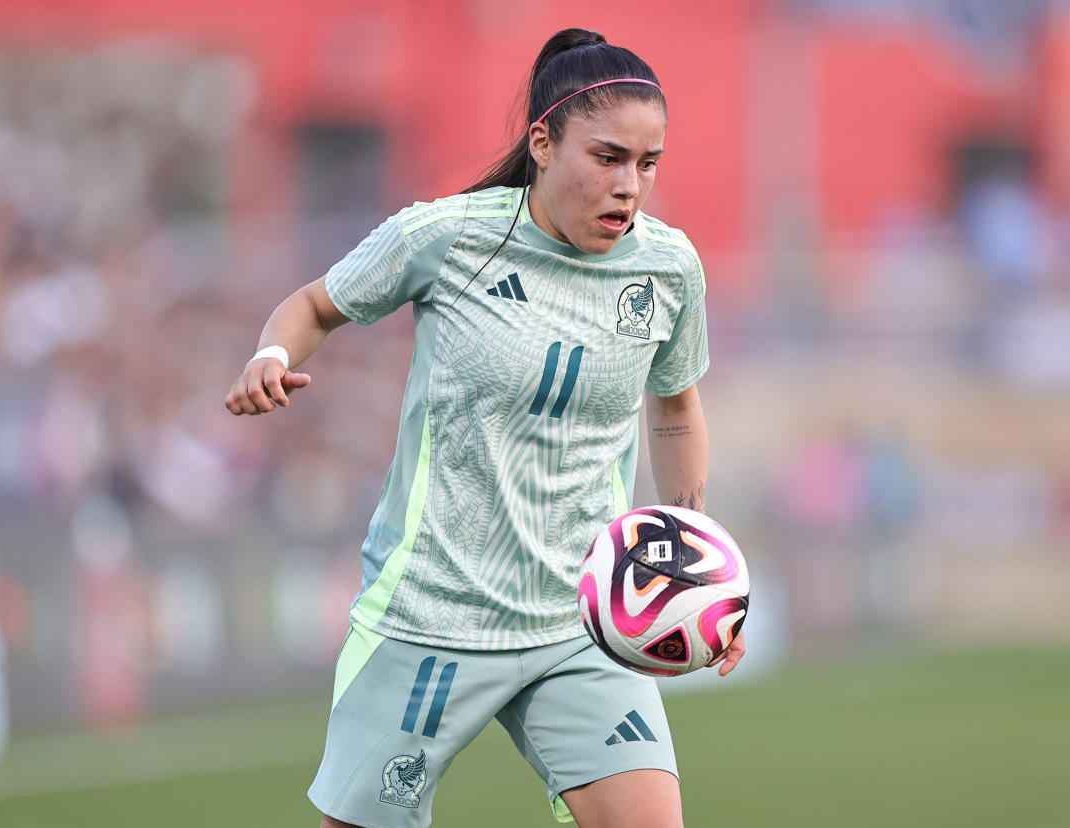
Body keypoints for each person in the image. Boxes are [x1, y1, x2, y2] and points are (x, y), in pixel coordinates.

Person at [224, 27, 744, 828]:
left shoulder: (668, 268)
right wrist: (269, 353)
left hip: (583, 620)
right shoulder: (450, 236)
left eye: (648, 164)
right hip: (433, 616)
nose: (630, 185)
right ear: (542, 141)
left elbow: (674, 409)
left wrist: (694, 572)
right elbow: (314, 306)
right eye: (608, 158)